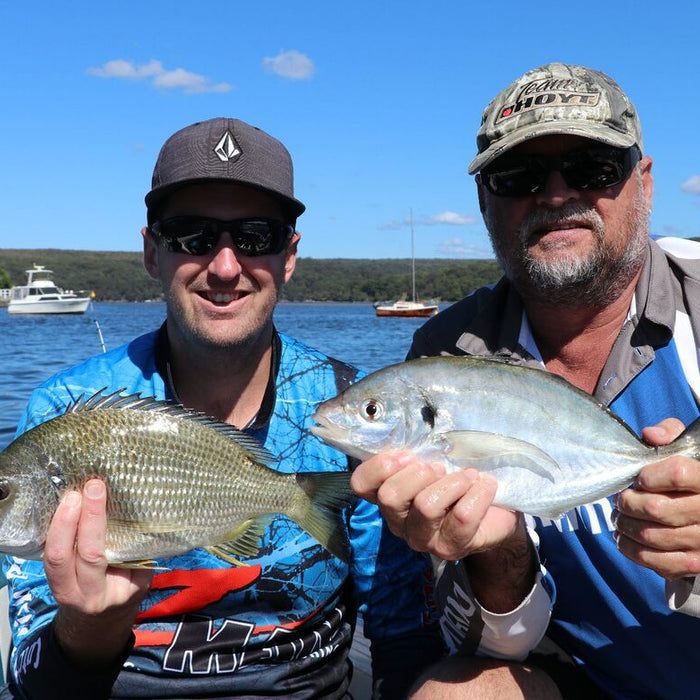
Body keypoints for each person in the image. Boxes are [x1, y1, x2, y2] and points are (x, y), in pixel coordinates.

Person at [1, 117, 443, 699]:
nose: (226, 266)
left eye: (257, 236)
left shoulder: (355, 412)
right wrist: (93, 623)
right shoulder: (64, 412)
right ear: (151, 252)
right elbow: (32, 681)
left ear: (289, 256)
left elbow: (401, 632)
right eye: (192, 235)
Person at [351, 63, 700, 699]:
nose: (556, 194)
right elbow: (501, 642)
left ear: (643, 183)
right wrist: (497, 550)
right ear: (486, 202)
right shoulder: (448, 353)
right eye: (519, 176)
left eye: (593, 168)